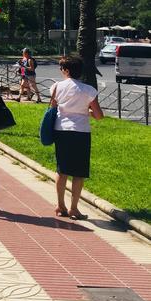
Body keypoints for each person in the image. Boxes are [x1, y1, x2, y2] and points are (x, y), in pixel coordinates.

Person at [49, 54, 103, 220]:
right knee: (78, 172)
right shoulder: (88, 90)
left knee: (62, 169)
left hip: (61, 130)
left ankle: (60, 205)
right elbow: (99, 115)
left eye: (61, 68)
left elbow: (53, 107)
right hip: (81, 132)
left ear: (66, 70)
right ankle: (74, 208)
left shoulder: (56, 87)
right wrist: (86, 111)